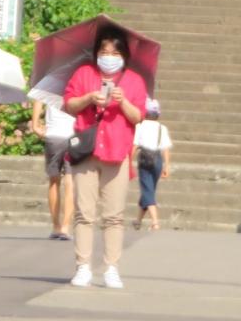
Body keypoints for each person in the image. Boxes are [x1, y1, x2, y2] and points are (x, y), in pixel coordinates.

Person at [64, 28, 148, 290]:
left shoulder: (133, 80)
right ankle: (83, 266)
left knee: (114, 215)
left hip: (117, 151)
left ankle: (112, 267)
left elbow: (138, 116)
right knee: (84, 213)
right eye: (104, 52)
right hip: (87, 151)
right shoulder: (84, 74)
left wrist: (122, 102)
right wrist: (89, 98)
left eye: (114, 52)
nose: (108, 57)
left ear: (123, 55)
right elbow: (69, 105)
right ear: (96, 53)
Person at [31, 96, 75, 240]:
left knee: (54, 181)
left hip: (53, 135)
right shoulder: (77, 84)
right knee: (71, 182)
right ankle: (65, 227)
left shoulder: (51, 84)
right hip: (73, 135)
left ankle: (56, 226)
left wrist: (35, 124)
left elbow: (38, 99)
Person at [131, 98, 172, 232]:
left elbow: (135, 145)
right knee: (149, 190)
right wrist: (166, 166)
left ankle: (155, 222)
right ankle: (138, 221)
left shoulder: (140, 126)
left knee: (147, 190)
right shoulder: (162, 128)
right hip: (157, 160)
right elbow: (165, 148)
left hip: (144, 159)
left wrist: (129, 161)